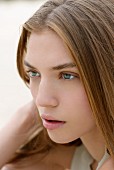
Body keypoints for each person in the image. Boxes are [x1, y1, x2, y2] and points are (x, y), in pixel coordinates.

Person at [0, 0, 114, 169]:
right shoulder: (73, 156)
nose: (41, 99)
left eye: (67, 75)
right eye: (34, 73)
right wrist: (26, 118)